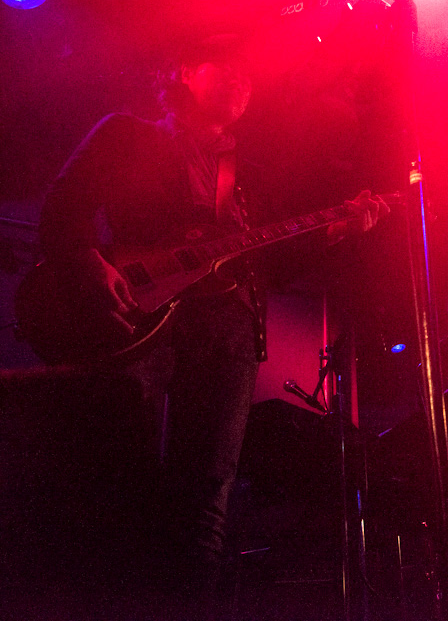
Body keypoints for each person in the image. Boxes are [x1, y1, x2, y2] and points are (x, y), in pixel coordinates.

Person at [34, 34, 387, 617]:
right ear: (184, 72)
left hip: (227, 329)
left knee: (208, 493)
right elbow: (61, 209)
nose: (242, 79)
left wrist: (339, 231)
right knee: (122, 474)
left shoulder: (244, 173)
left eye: (248, 72)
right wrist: (90, 263)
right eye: (226, 66)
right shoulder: (128, 135)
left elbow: (266, 258)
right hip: (138, 319)